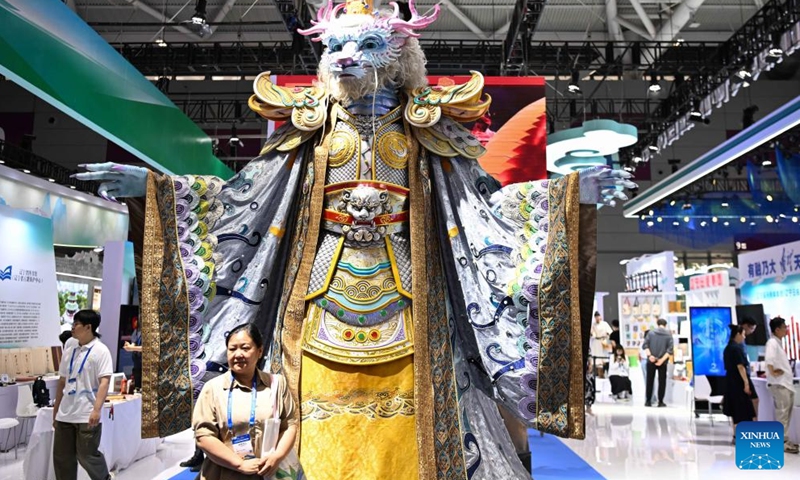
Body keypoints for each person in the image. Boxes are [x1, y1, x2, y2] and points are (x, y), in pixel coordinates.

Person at [74, 0, 636, 476]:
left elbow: (486, 206)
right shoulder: (310, 130)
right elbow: (242, 197)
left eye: (366, 45)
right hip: (319, 297)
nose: (346, 56)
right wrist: (156, 190)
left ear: (398, 55)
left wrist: (570, 194)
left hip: (412, 301)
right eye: (337, 46)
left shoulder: (426, 130)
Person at [193, 323, 298, 479]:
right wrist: (239, 464)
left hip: (267, 473)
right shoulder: (213, 389)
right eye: (232, 349)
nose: (238, 354)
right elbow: (203, 436)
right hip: (224, 474)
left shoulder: (276, 384)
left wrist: (277, 456)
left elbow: (289, 425)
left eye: (245, 348)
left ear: (259, 351)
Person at [52, 310, 113, 480]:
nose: (72, 327)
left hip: (86, 413)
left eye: (76, 324)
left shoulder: (101, 350)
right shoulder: (70, 349)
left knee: (87, 455)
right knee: (62, 458)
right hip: (65, 413)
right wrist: (56, 410)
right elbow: (62, 382)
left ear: (88, 327)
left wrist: (97, 410)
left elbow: (104, 382)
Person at [765, 317, 799, 454]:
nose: (786, 330)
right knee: (782, 414)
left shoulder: (778, 343)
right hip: (779, 384)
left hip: (785, 384)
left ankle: (784, 440)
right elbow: (769, 359)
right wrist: (773, 372)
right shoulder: (772, 342)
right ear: (777, 329)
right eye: (784, 327)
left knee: (786, 414)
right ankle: (782, 442)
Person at [723, 324, 756, 445]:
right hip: (738, 382)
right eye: (743, 334)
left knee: (735, 410)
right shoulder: (736, 349)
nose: (744, 337)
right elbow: (740, 367)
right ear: (737, 334)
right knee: (742, 409)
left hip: (730, 381)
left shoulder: (728, 348)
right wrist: (746, 383)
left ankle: (736, 435)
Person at [643, 318, 673, 407]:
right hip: (662, 362)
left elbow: (645, 345)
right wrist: (661, 360)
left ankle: (648, 401)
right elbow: (670, 350)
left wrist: (650, 356)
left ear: (657, 324)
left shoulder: (651, 333)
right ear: (665, 325)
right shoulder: (669, 335)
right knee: (662, 382)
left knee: (649, 381)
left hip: (651, 360)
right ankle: (660, 401)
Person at [738, 316, 759, 418]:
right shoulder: (738, 341)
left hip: (745, 374)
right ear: (745, 326)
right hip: (742, 375)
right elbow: (740, 364)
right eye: (752, 329)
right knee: (753, 400)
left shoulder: (742, 340)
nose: (752, 332)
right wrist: (746, 381)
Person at [122, 315, 142, 390]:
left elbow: (147, 348)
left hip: (145, 363)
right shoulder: (137, 331)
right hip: (137, 360)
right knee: (137, 378)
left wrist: (132, 348)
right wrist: (129, 345)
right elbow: (134, 342)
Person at [590, 312, 612, 377]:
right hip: (596, 342)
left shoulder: (605, 323)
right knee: (597, 359)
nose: (597, 318)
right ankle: (599, 373)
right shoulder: (593, 324)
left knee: (605, 357)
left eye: (598, 316)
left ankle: (607, 372)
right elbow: (592, 333)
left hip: (604, 341)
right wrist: (592, 334)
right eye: (596, 317)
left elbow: (609, 332)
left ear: (600, 317)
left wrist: (607, 336)